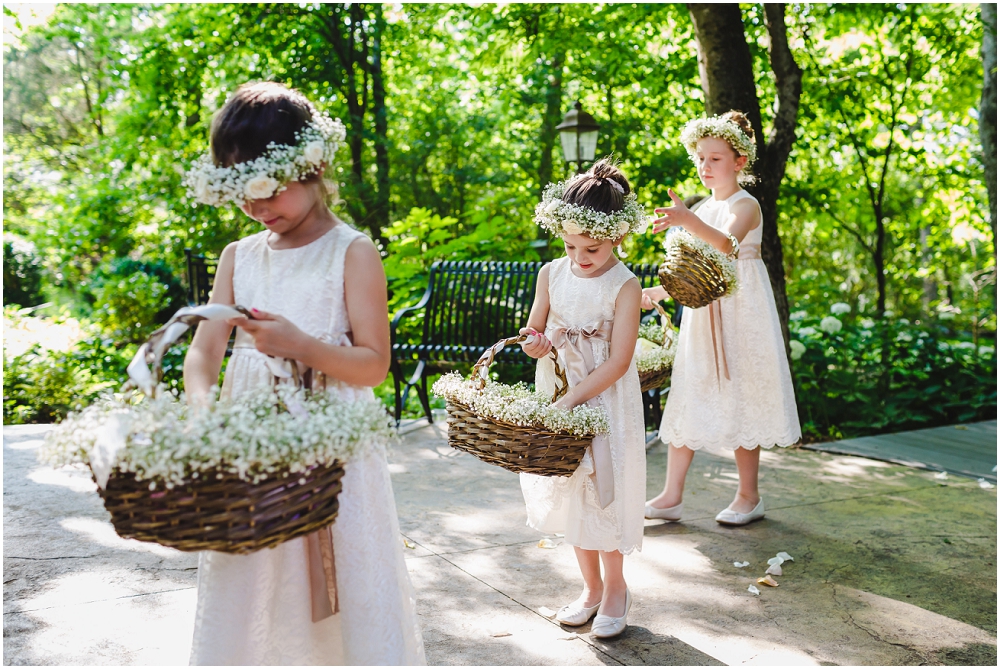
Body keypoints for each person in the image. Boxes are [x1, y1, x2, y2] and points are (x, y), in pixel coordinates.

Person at [182, 82, 424, 665]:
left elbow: (373, 366)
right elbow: (204, 352)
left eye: (267, 189)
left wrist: (301, 345)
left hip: (332, 450)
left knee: (340, 576)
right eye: (239, 195)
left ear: (313, 165)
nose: (257, 207)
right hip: (253, 449)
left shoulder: (351, 251)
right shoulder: (239, 257)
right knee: (253, 573)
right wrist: (199, 416)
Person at [642, 111, 801, 526]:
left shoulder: (745, 204)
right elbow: (696, 270)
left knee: (743, 393)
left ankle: (749, 496)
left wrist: (687, 221)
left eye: (715, 158)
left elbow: (727, 246)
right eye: (700, 158)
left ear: (739, 162)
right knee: (690, 390)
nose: (705, 166)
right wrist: (659, 292)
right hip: (705, 309)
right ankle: (671, 496)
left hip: (742, 310)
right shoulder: (701, 208)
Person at [518, 159, 646, 639]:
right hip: (557, 388)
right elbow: (537, 328)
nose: (580, 255)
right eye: (570, 245)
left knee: (603, 495)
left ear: (618, 236)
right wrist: (536, 343)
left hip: (602, 401)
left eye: (591, 247)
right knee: (572, 491)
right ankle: (589, 588)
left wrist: (573, 400)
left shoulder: (625, 285)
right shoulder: (552, 272)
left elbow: (617, 363)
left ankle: (616, 588)